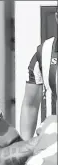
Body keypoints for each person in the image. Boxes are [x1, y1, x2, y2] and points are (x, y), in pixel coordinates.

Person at [19, 7, 57, 140]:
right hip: (51, 143)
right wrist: (24, 145)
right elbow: (30, 104)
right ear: (57, 17)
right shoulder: (44, 52)